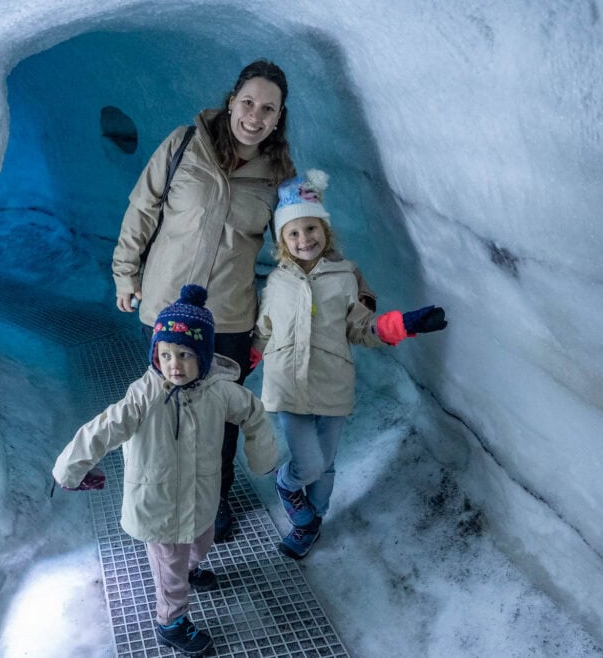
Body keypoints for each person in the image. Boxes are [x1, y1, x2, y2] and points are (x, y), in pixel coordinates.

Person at [111, 59, 296, 542]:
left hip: (229, 317)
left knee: (221, 417)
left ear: (279, 118)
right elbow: (143, 207)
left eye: (268, 109)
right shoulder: (184, 143)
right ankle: (159, 500)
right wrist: (125, 272)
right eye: (249, 102)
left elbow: (296, 248)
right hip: (168, 309)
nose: (255, 116)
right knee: (162, 408)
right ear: (232, 99)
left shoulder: (280, 174)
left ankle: (213, 504)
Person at [53, 284, 277, 657]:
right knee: (170, 571)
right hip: (157, 504)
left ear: (204, 358)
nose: (174, 364)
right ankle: (170, 621)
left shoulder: (219, 392)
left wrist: (262, 456)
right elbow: (103, 428)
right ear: (155, 354)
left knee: (202, 541)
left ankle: (188, 570)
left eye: (186, 355)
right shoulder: (144, 397)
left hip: (200, 495)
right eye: (166, 354)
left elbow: (252, 412)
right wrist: (70, 469)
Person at [253, 169, 447, 560]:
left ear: (325, 231)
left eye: (311, 228)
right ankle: (287, 486)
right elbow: (262, 331)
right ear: (282, 241)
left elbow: (363, 328)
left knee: (325, 466)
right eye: (293, 233)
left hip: (332, 387)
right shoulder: (275, 283)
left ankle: (311, 523)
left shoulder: (346, 276)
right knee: (307, 464)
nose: (304, 238)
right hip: (288, 389)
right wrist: (239, 362)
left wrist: (403, 324)